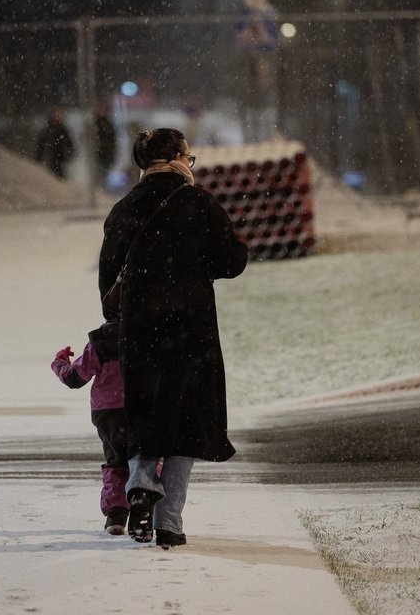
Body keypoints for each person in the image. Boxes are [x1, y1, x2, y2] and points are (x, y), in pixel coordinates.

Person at [98, 128, 248, 548]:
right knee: (187, 423)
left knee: (145, 415)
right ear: (179, 157)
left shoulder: (124, 209)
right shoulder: (199, 203)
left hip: (140, 332)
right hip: (191, 330)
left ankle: (141, 487)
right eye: (188, 156)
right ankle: (170, 524)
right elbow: (231, 261)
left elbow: (108, 282)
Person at [51, 341, 129, 535]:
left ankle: (116, 515)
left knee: (116, 460)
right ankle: (144, 508)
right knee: (145, 459)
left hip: (108, 410)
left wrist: (59, 362)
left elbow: (73, 378)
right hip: (143, 408)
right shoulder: (149, 336)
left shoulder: (102, 341)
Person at [35, 106, 75, 178]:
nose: (58, 116)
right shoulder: (47, 130)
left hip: (61, 159)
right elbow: (40, 145)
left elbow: (70, 144)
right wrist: (38, 158)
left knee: (59, 177)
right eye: (56, 114)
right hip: (49, 159)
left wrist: (68, 155)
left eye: (59, 114)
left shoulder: (63, 130)